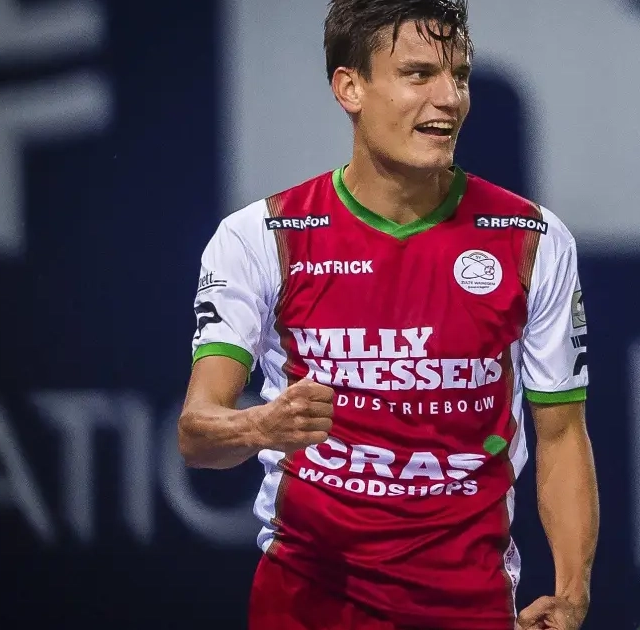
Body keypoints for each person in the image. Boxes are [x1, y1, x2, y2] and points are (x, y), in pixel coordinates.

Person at [177, 1, 599, 628]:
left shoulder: (532, 238)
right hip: (306, 603)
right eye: (418, 74)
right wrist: (262, 425)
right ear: (350, 87)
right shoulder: (262, 237)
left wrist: (571, 593)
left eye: (459, 75)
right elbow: (197, 433)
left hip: (468, 608)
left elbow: (561, 432)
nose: (449, 98)